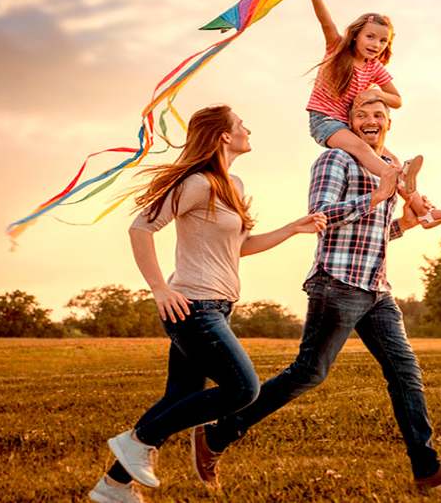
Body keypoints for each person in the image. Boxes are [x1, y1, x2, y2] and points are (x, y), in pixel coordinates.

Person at [191, 98, 441, 491]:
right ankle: (217, 436)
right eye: (361, 115)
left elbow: (374, 235)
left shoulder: (389, 167)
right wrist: (379, 196)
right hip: (337, 284)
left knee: (405, 373)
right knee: (309, 373)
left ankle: (427, 469)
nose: (370, 121)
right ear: (347, 124)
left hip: (377, 288)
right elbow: (321, 216)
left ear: (388, 123)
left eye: (378, 115)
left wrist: (405, 224)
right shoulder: (335, 161)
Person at [88, 105, 327, 503]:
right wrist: (159, 288)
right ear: (224, 136)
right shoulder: (197, 183)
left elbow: (240, 248)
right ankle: (139, 440)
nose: (248, 129)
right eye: (241, 125)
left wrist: (292, 228)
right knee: (243, 389)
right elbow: (140, 227)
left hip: (217, 306)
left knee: (179, 397)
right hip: (192, 307)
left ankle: (113, 486)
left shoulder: (233, 184)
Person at [302, 0, 441, 230]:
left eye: (382, 41)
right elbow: (326, 22)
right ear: (356, 36)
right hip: (325, 121)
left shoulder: (374, 67)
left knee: (393, 159)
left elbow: (397, 99)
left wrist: (378, 95)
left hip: (347, 124)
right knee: (367, 153)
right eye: (370, 37)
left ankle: (425, 213)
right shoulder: (337, 50)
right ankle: (397, 176)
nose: (376, 45)